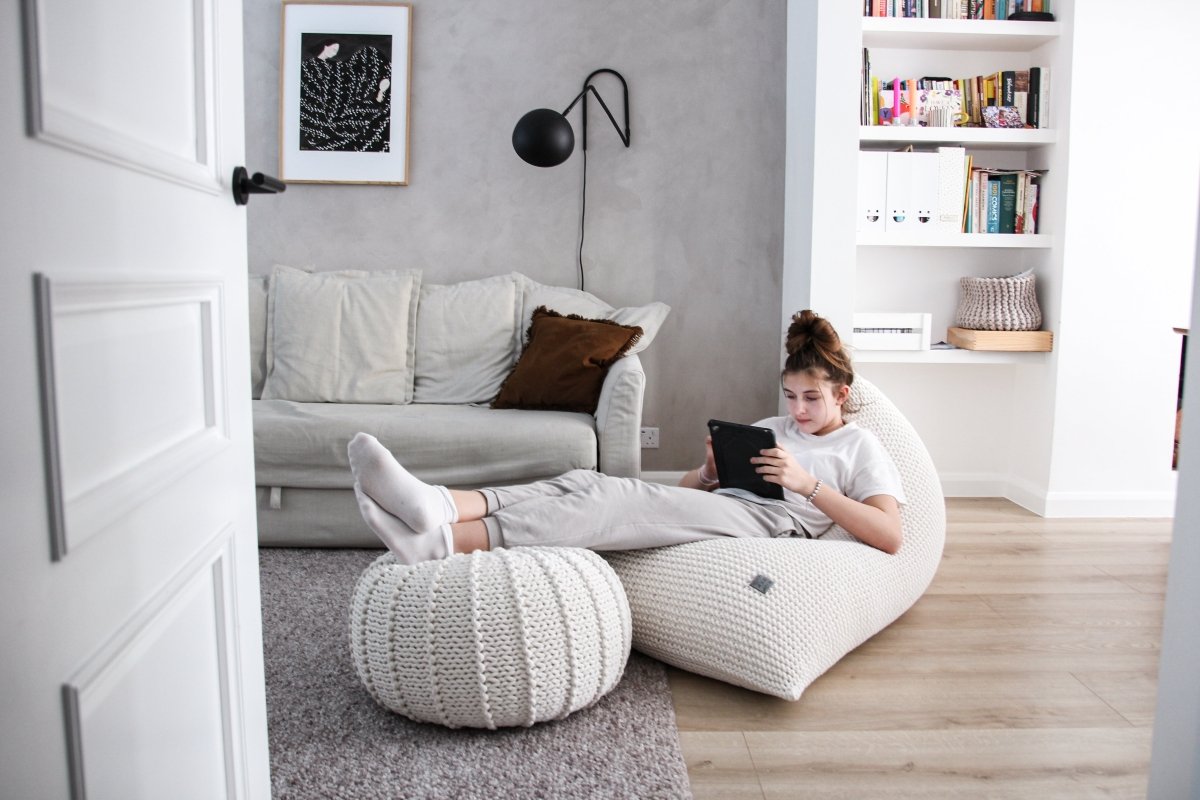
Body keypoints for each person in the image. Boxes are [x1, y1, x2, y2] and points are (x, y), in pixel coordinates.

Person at [347, 310, 906, 565]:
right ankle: (442, 505)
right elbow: (690, 490)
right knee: (584, 480)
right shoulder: (769, 430)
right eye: (791, 396)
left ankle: (444, 543)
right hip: (726, 507)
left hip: (774, 526)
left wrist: (809, 487)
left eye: (812, 398)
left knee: (616, 498)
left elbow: (889, 536)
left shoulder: (858, 447)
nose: (798, 410)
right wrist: (709, 473)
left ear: (842, 393)